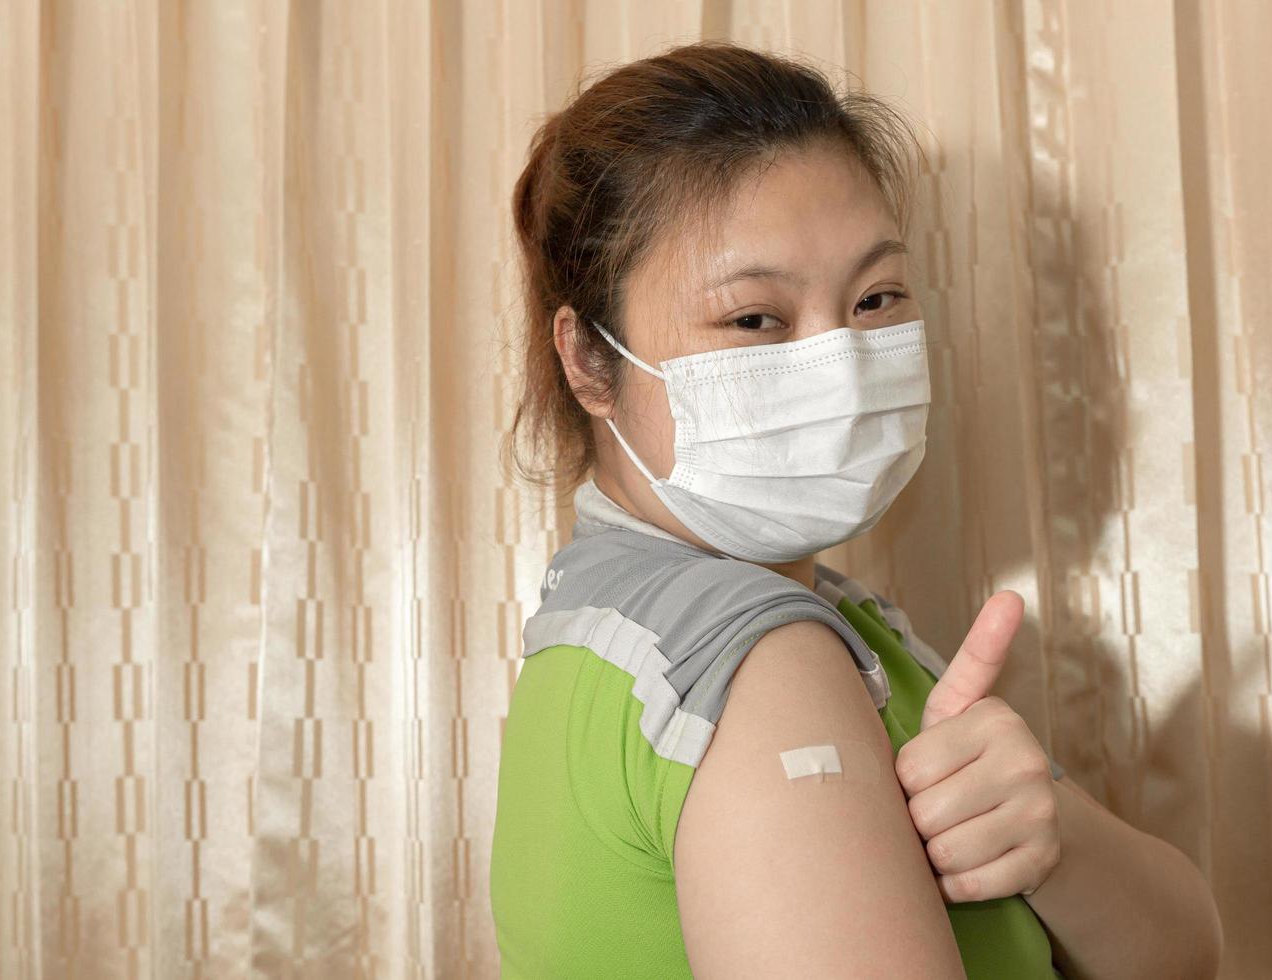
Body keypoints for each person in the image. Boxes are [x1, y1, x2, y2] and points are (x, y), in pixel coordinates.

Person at [490, 39, 1223, 979]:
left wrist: (1049, 832)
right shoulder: (750, 649)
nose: (838, 361)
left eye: (875, 297)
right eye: (755, 318)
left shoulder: (780, 625)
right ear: (590, 360)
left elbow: (1186, 952)